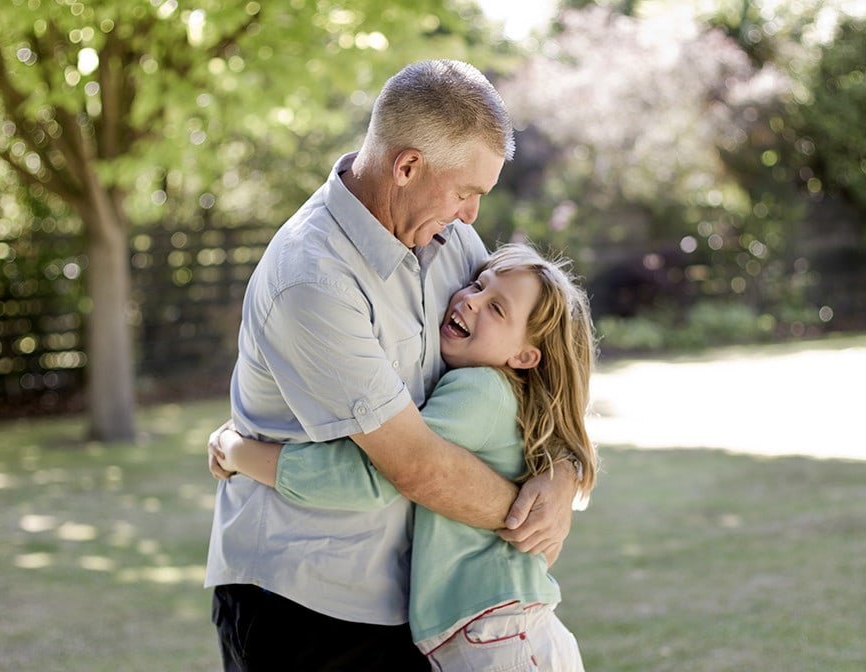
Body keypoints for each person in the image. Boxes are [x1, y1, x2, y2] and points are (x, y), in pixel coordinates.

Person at [204, 59, 580, 671]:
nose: (471, 216)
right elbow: (416, 469)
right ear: (407, 167)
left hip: (410, 604)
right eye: (466, 192)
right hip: (303, 602)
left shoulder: (452, 244)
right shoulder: (312, 279)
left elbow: (528, 378)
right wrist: (529, 515)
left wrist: (562, 477)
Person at [212, 243, 598, 670]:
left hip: (498, 635)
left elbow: (379, 474)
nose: (470, 300)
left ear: (525, 356)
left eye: (496, 309)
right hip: (499, 629)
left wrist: (241, 453)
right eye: (476, 284)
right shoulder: (503, 393)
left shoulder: (481, 391)